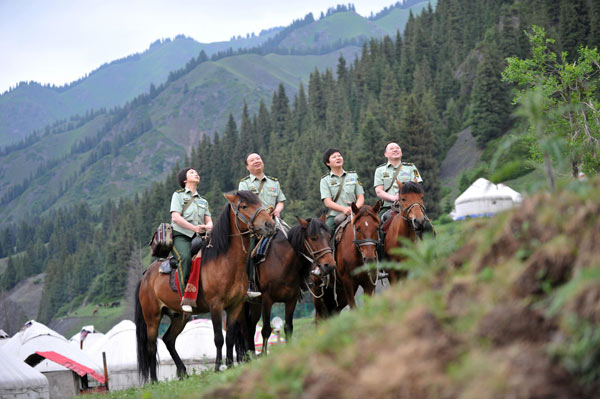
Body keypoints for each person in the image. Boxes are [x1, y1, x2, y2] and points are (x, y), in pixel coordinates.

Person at [238, 153, 286, 298]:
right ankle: (249, 285)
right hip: (255, 227)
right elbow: (244, 205)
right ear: (247, 167)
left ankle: (297, 281)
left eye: (259, 158)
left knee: (293, 243)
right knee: (249, 252)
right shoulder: (244, 183)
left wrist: (278, 209)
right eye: (252, 160)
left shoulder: (274, 182)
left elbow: (281, 201)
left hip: (274, 223)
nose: (257, 161)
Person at [170, 167, 213, 313]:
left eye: (197, 172)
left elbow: (209, 221)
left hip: (200, 236)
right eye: (192, 172)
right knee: (185, 258)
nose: (196, 173)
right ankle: (185, 298)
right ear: (185, 180)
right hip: (180, 235)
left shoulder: (203, 201)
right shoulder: (178, 195)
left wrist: (207, 227)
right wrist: (194, 228)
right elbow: (175, 217)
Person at [374, 142, 422, 222]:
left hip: (409, 206)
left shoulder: (410, 167)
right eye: (391, 149)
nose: (395, 150)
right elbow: (379, 191)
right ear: (385, 154)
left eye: (397, 148)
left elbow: (417, 186)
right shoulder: (380, 170)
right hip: (388, 207)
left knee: (427, 226)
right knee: (377, 226)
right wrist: (393, 198)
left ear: (401, 152)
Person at [319, 148, 364, 233]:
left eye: (339, 156)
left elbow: (361, 197)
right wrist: (344, 209)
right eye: (334, 157)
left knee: (374, 228)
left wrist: (355, 209)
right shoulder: (325, 180)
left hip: (356, 213)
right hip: (335, 215)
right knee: (325, 233)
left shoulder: (353, 176)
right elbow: (328, 202)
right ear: (328, 163)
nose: (338, 158)